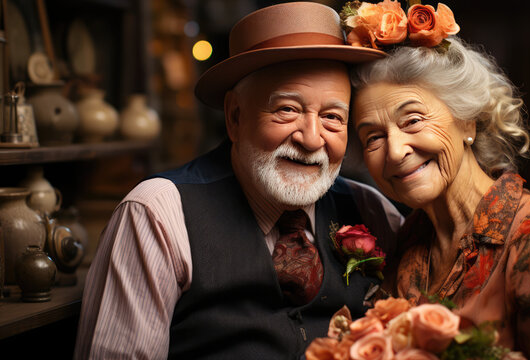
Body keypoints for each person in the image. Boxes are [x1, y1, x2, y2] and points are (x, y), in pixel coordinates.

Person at [73, 2, 404, 359]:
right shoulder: (157, 214)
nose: (311, 139)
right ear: (235, 117)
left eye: (332, 117)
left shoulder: (370, 209)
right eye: (287, 110)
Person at [349, 32, 530, 360]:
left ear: (467, 122)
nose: (395, 152)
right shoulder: (409, 237)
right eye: (373, 138)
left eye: (412, 120)